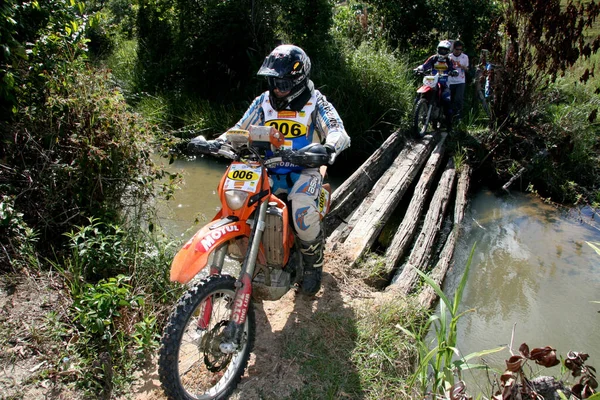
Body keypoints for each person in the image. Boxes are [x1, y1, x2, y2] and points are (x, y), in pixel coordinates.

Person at [207, 44, 351, 296]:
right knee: (240, 202)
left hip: (303, 169)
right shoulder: (263, 102)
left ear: (298, 79)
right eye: (273, 81)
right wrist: (215, 143)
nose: (276, 88)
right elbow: (238, 128)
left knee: (303, 212)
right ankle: (251, 262)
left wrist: (329, 147)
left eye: (282, 83)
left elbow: (338, 130)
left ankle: (313, 265)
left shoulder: (316, 101)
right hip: (266, 169)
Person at [417, 40, 458, 131]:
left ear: (448, 51)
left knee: (447, 101)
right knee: (421, 94)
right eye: (441, 50)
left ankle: (449, 125)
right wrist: (419, 68)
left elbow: (453, 68)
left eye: (445, 50)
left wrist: (454, 72)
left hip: (443, 84)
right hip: (432, 81)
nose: (442, 52)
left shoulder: (449, 60)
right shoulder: (433, 58)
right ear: (438, 49)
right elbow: (425, 65)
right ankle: (417, 114)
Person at [448, 40, 469, 121]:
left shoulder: (465, 57)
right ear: (453, 49)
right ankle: (449, 117)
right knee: (449, 99)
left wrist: (462, 66)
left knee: (458, 99)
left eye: (460, 50)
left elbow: (467, 69)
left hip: (460, 81)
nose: (458, 51)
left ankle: (458, 117)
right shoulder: (449, 56)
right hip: (450, 81)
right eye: (457, 49)